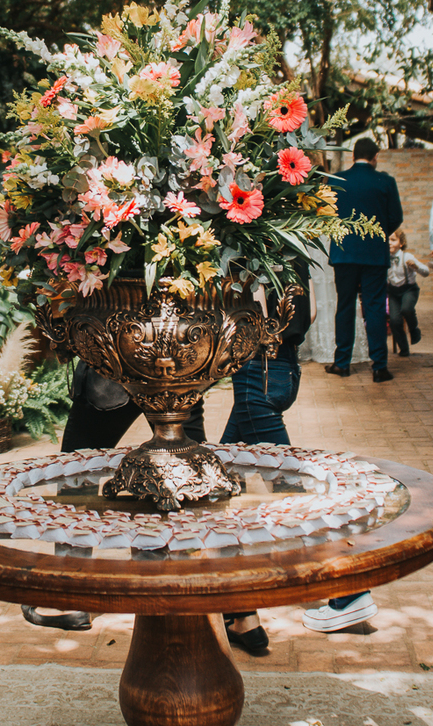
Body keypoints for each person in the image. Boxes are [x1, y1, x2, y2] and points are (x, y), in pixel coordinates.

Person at [21, 366, 206, 633]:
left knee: (76, 472)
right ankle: (177, 586)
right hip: (180, 364)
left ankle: (72, 596)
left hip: (118, 360)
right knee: (186, 468)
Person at [216, 269, 316, 655]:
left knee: (294, 498)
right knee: (217, 486)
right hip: (283, 370)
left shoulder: (248, 245)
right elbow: (306, 313)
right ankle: (242, 615)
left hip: (257, 375)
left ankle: (350, 593)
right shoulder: (291, 244)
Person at [326, 138, 403, 383]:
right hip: (374, 255)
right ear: (375, 156)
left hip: (344, 253)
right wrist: (377, 234)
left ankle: (342, 363)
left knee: (345, 306)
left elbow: (327, 214)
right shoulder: (385, 181)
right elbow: (396, 217)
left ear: (353, 156)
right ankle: (379, 367)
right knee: (375, 308)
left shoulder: (336, 180)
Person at [386, 230, 428, 356]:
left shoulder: (407, 257)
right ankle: (403, 348)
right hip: (393, 292)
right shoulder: (384, 258)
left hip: (409, 290)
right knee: (394, 320)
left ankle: (414, 329)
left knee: (406, 309)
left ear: (401, 243)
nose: (389, 243)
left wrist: (416, 267)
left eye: (393, 240)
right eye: (387, 240)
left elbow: (426, 272)